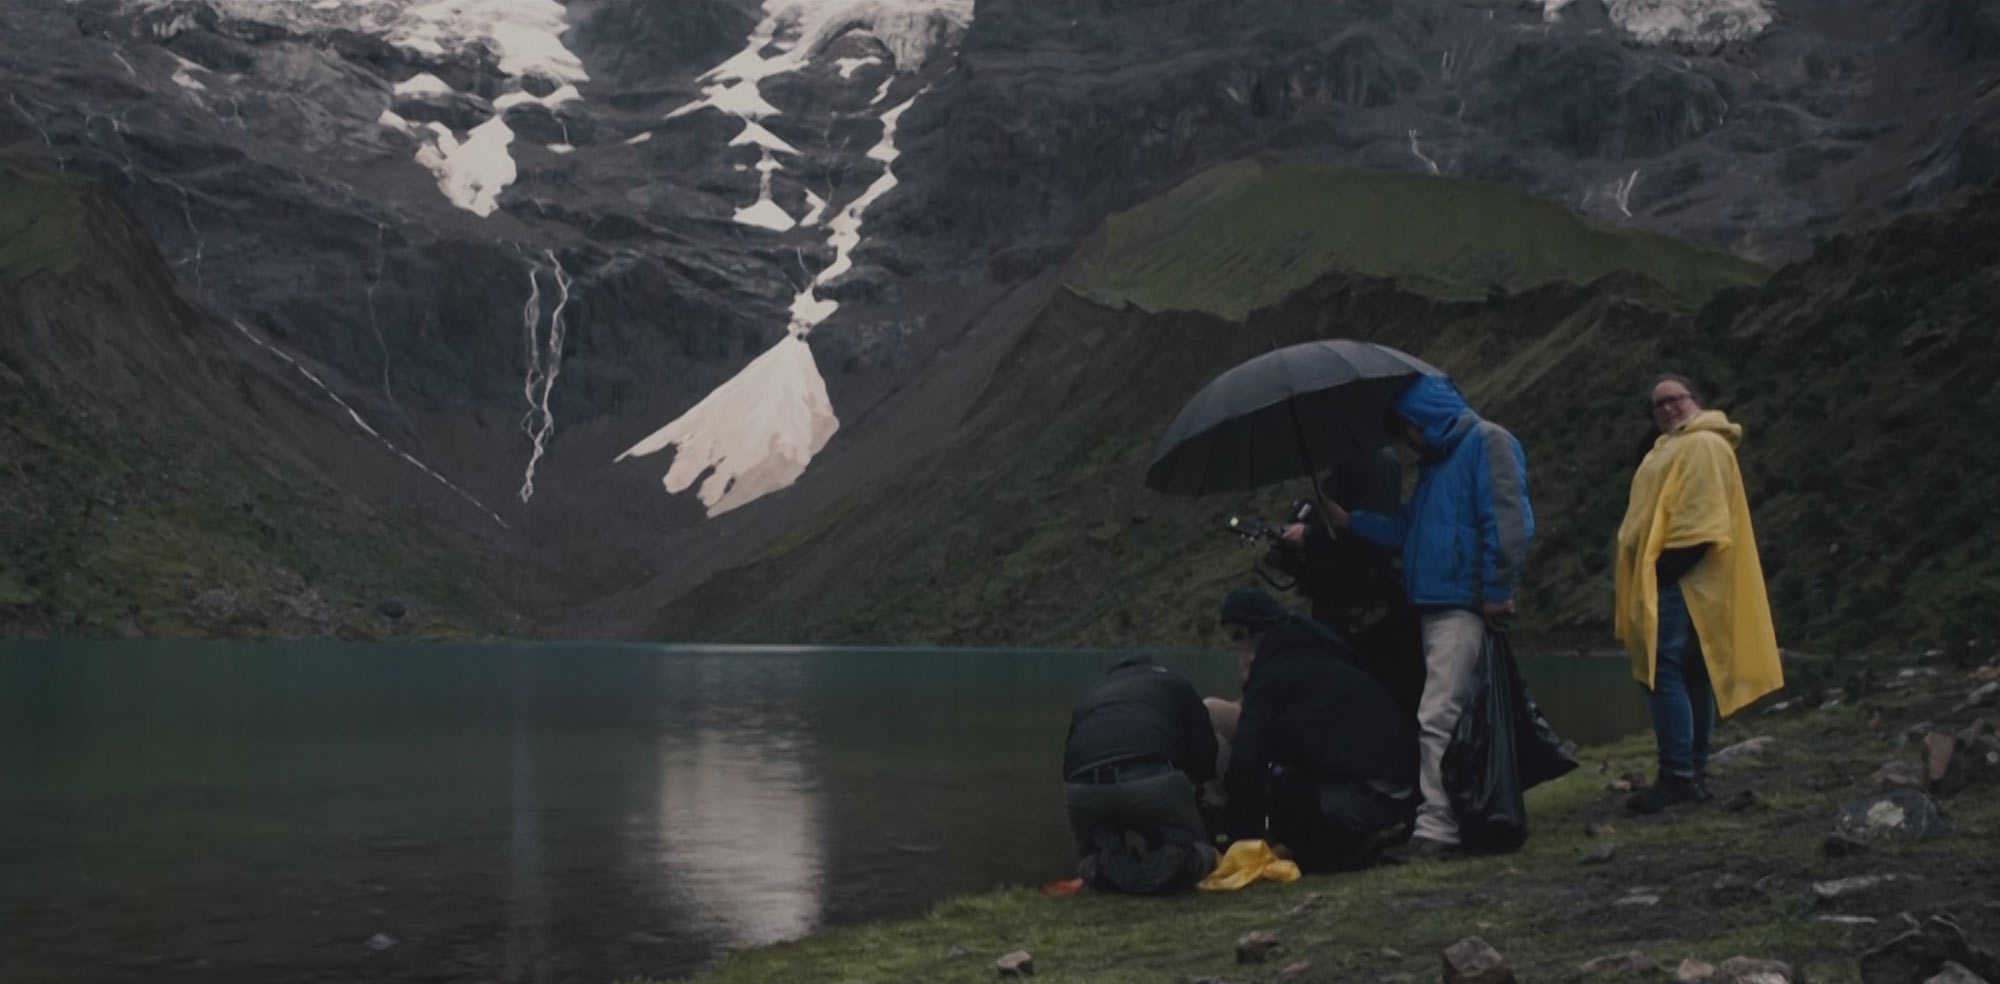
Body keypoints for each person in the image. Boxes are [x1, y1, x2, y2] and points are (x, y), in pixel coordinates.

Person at [1321, 374, 1534, 858]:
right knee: (1448, 711)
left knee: (1438, 714)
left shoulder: (1488, 442)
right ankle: (1455, 813)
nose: (1407, 443)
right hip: (1436, 604)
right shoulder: (1437, 468)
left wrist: (1498, 590)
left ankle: (1437, 830)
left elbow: (1509, 521)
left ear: (1425, 419)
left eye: (1408, 431)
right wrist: (1349, 523)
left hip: (1463, 603)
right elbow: (1404, 531)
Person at [1614, 374, 1782, 814]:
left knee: (1663, 671)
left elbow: (1700, 519)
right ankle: (1693, 773)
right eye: (1658, 404)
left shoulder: (1702, 445)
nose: (1667, 408)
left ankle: (1677, 776)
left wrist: (1666, 572)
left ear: (1696, 401)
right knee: (1690, 673)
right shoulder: (1679, 445)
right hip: (1690, 582)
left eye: (1675, 399)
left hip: (1683, 581)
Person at [1214, 587, 1418, 873]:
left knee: (1281, 793)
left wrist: (1233, 834)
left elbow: (1248, 757)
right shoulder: (1321, 658)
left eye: (1238, 638)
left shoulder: (1274, 674)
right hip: (1402, 795)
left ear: (1253, 636)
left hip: (1367, 798)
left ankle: (1336, 851)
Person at [1277, 448, 1425, 716]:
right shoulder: (1355, 463)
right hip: (1344, 601)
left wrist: (1310, 536)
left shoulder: (1370, 463)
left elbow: (1369, 536)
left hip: (1357, 607)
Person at [1061, 653, 1220, 893]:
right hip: (1150, 780)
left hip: (1082, 787)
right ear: (1155, 669)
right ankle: (1176, 862)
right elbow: (1204, 748)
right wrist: (1197, 786)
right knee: (1201, 849)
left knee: (1090, 857)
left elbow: (1071, 755)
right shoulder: (1174, 683)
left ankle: (1099, 865)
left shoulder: (1091, 694)